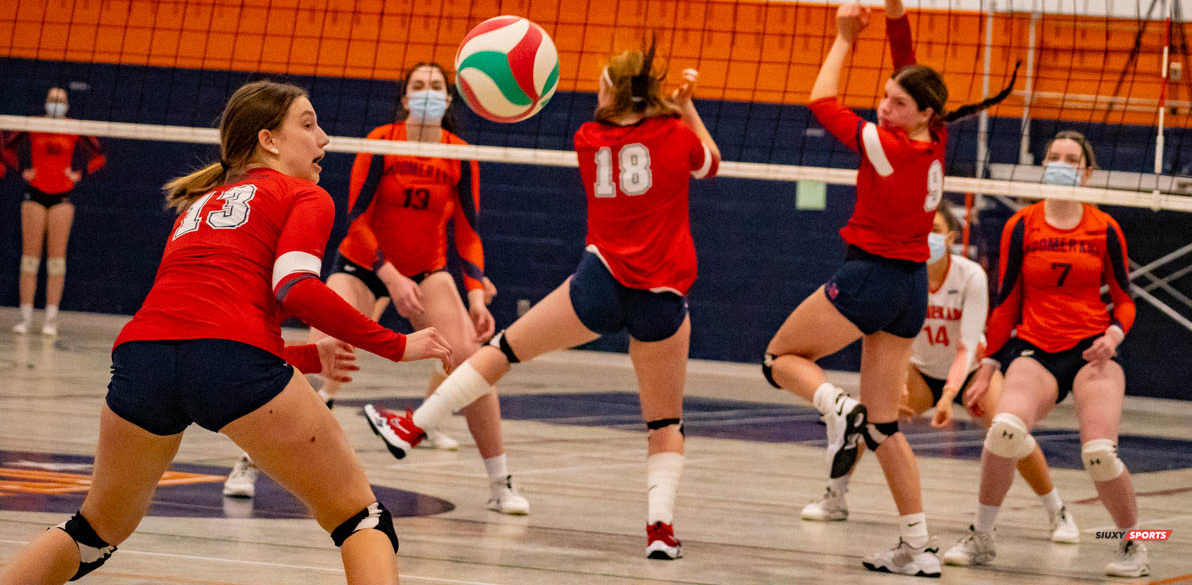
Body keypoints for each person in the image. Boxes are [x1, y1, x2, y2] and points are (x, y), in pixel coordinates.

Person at [0, 80, 452, 585]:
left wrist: (306, 357)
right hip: (230, 364)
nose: (324, 138)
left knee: (93, 532)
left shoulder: (201, 203)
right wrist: (397, 344)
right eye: (308, 124)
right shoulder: (306, 193)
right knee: (360, 519)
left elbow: (201, 323)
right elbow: (295, 287)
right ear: (269, 141)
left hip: (141, 360)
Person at [363, 43, 719, 559]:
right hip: (662, 297)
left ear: (611, 93)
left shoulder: (588, 138)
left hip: (600, 283)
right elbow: (710, 164)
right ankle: (659, 530)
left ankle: (414, 426)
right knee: (664, 424)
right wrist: (684, 106)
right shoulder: (676, 134)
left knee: (503, 351)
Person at [760, 0, 1018, 577]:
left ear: (922, 114)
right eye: (884, 98)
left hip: (871, 277)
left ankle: (835, 406)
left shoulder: (888, 147)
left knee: (779, 360)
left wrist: (845, 39)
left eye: (896, 103)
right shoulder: (937, 138)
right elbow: (907, 55)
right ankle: (920, 548)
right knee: (884, 429)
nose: (884, 107)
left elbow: (820, 100)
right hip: (908, 290)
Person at [305, 61, 524, 515]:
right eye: (418, 86)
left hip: (427, 271)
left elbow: (468, 233)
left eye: (436, 87)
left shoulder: (459, 153)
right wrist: (390, 276)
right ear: (405, 99)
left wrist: (478, 295)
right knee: (321, 350)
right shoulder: (381, 143)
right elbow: (357, 220)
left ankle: (500, 484)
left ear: (447, 100)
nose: (427, 93)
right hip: (365, 265)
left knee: (473, 362)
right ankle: (249, 462)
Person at [801, 200, 1079, 544]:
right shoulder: (902, 273)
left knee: (1010, 433)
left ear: (950, 238)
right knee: (866, 417)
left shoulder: (970, 276)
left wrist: (949, 395)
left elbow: (967, 345)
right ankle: (835, 495)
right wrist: (899, 381)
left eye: (935, 231)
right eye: (923, 230)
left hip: (971, 374)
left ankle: (1057, 510)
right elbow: (890, 337)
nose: (927, 237)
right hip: (921, 370)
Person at [944, 130, 1148, 578]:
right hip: (1035, 349)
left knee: (1099, 454)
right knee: (1004, 432)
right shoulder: (1022, 225)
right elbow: (1007, 302)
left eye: (1070, 158)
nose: (1059, 163)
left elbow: (1125, 298)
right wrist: (987, 367)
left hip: (1092, 353)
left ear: (1086, 172)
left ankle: (1135, 544)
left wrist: (1113, 335)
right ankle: (982, 537)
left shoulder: (1104, 228)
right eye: (1053, 156)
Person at [1, 87, 105, 336]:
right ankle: (25, 318)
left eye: (60, 100)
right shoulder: (32, 124)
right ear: (46, 102)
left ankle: (50, 319)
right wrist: (22, 170)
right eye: (52, 100)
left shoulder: (74, 127)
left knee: (57, 262)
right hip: (34, 195)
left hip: (62, 197)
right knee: (29, 259)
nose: (56, 104)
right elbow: (6, 149)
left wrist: (79, 174)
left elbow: (98, 157)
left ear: (67, 104)